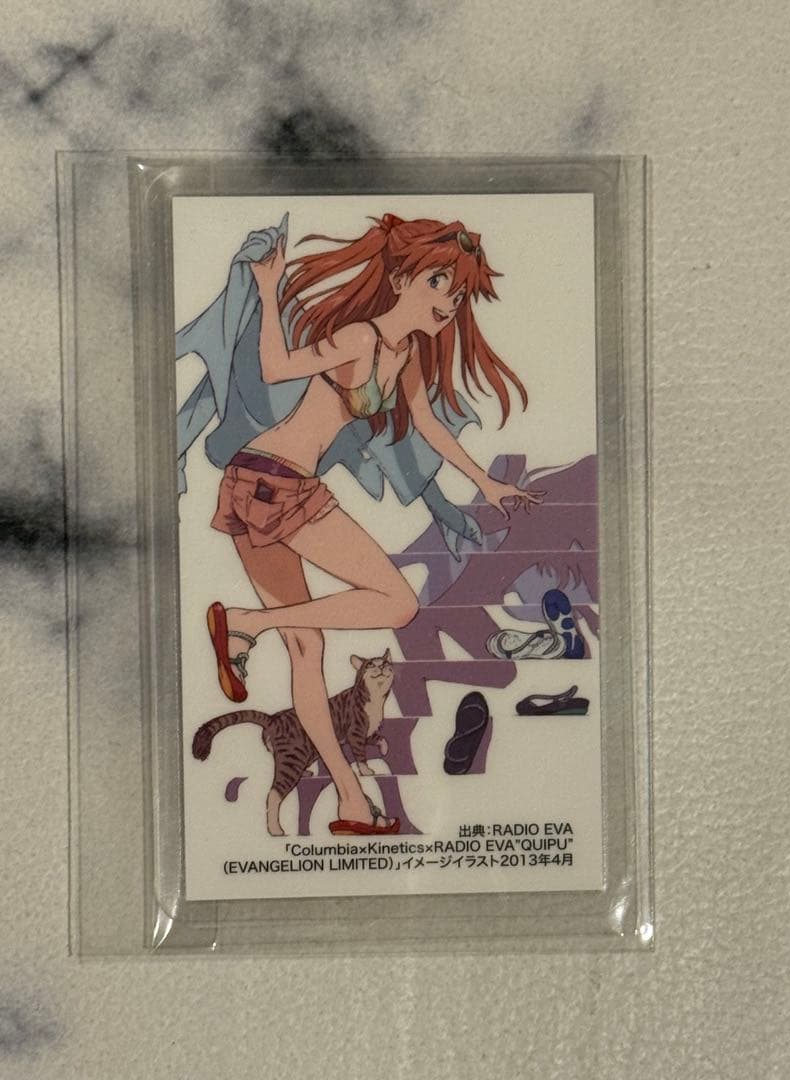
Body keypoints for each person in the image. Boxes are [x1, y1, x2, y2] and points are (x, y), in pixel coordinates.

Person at [203, 213, 542, 834]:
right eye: (439, 282)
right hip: (274, 481)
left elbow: (429, 426)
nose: (450, 302)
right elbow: (275, 367)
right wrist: (270, 292)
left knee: (308, 649)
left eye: (458, 293)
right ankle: (248, 623)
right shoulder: (360, 338)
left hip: (269, 484)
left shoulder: (404, 353)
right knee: (398, 602)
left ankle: (351, 805)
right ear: (401, 279)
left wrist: (487, 482)